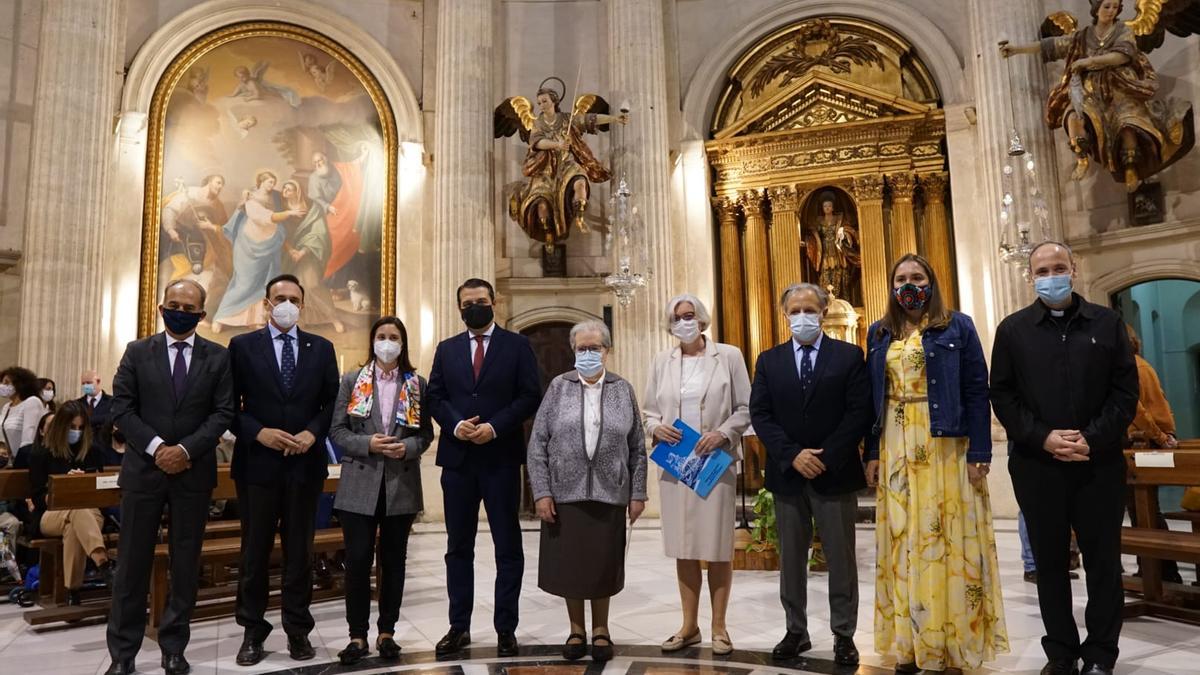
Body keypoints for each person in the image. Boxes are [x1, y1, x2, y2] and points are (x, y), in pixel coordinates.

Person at [991, 242, 1137, 675]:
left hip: (1099, 463)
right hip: (1039, 465)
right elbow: (1003, 394)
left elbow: (1125, 393)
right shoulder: (1013, 330)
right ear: (1030, 277)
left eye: (1058, 267)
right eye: (1042, 270)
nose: (1050, 275)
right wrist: (1044, 438)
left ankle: (1100, 654)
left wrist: (1091, 439)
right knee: (1050, 563)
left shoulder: (1107, 323)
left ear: (1073, 270)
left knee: (1103, 562)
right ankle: (1061, 652)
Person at [862, 255, 1009, 673]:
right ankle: (910, 644)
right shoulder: (879, 332)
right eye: (901, 279)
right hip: (894, 442)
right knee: (903, 539)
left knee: (945, 539)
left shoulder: (957, 326)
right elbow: (871, 399)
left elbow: (978, 391)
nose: (909, 285)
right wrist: (871, 451)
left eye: (918, 277)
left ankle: (951, 644)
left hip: (945, 442)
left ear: (932, 282)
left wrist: (980, 452)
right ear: (891, 286)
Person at [103, 279, 235, 675]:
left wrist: (185, 450)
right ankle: (122, 654)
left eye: (188, 306)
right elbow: (122, 409)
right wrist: (159, 447)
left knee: (184, 564)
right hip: (144, 472)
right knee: (131, 565)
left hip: (193, 474)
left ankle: (174, 647)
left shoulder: (218, 357)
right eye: (173, 303)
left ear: (201, 314)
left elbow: (223, 413)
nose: (179, 310)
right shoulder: (137, 352)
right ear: (162, 308)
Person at [749, 283, 871, 666]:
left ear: (823, 311)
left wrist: (827, 456)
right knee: (790, 559)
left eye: (809, 309)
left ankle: (844, 635)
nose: (802, 316)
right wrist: (792, 455)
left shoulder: (849, 356)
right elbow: (761, 415)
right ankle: (795, 631)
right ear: (784, 315)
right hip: (788, 474)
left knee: (841, 558)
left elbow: (859, 412)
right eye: (795, 310)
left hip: (834, 473)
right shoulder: (769, 361)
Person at [426, 278, 541, 657]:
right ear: (459, 308)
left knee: (507, 546)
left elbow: (529, 396)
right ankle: (458, 626)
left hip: (500, 457)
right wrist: (456, 424)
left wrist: (494, 427)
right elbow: (435, 396)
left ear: (495, 302)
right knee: (458, 547)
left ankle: (505, 628)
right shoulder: (446, 349)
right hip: (458, 461)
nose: (473, 307)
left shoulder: (517, 345)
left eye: (480, 301)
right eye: (466, 303)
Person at [228, 273, 339, 666]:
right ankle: (252, 631)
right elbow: (229, 407)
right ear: (267, 303)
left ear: (302, 305)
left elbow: (331, 404)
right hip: (258, 465)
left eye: (294, 298)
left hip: (304, 466)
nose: (287, 303)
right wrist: (259, 433)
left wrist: (312, 433)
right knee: (254, 553)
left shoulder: (322, 348)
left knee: (299, 553)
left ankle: (298, 629)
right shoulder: (242, 347)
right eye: (280, 297)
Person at [528, 320, 648, 662]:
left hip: (610, 492)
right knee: (571, 566)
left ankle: (601, 630)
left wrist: (637, 492)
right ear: (573, 351)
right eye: (582, 348)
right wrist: (541, 492)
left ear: (607, 351)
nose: (588, 353)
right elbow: (538, 443)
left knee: (602, 564)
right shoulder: (558, 387)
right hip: (566, 493)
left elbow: (637, 446)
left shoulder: (622, 389)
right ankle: (576, 629)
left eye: (595, 348)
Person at [641, 294, 751, 656]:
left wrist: (724, 433)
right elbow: (649, 411)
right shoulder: (662, 361)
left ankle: (720, 627)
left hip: (714, 462)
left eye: (689, 315)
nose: (684, 321)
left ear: (702, 320)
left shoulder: (729, 356)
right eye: (677, 317)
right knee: (684, 548)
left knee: (718, 548)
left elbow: (745, 408)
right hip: (676, 463)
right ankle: (689, 626)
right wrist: (656, 428)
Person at [329, 316, 433, 665]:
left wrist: (409, 448)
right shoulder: (351, 381)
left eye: (394, 337)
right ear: (372, 342)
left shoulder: (416, 384)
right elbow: (337, 432)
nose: (387, 343)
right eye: (381, 336)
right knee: (357, 560)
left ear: (402, 344)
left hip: (399, 484)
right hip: (360, 481)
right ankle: (357, 635)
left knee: (393, 562)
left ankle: (387, 631)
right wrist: (368, 443)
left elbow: (426, 435)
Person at [29, 400, 107, 605]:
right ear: (61, 426)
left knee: (75, 523)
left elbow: (100, 490)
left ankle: (73, 589)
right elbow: (39, 498)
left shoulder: (92, 451)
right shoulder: (41, 453)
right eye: (72, 427)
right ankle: (102, 562)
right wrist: (65, 487)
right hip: (51, 514)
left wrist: (83, 484)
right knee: (76, 512)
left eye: (81, 428)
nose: (77, 432)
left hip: (90, 512)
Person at [1123, 323, 1182, 583]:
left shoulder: (1131, 367)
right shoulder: (1137, 364)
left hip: (1144, 443)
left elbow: (1136, 409)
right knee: (1141, 510)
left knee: (1145, 510)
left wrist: (1159, 436)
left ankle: (1164, 573)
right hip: (1148, 440)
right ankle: (1151, 569)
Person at [1, 366, 47, 456]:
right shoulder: (6, 407)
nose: (2, 386)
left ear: (20, 384)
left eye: (6, 383)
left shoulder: (32, 402)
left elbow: (29, 439)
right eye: (2, 383)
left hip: (23, 461)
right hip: (6, 461)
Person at [78, 369, 113, 459]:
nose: (86, 386)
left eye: (89, 382)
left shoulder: (112, 402)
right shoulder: (78, 404)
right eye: (83, 383)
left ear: (98, 381)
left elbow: (111, 419)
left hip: (105, 450)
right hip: (82, 451)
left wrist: (87, 420)